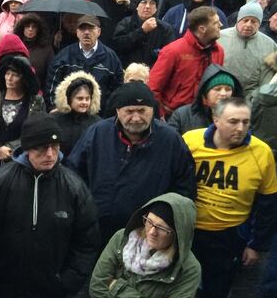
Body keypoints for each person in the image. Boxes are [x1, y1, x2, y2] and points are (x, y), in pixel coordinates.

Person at [0, 114, 100, 298]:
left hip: (53, 294)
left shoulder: (75, 188)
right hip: (4, 291)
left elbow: (87, 241)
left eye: (55, 147)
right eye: (42, 148)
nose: (50, 154)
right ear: (27, 148)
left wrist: (68, 281)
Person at [67, 82, 197, 242]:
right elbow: (73, 176)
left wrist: (162, 220)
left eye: (142, 111)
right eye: (129, 111)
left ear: (152, 111)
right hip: (95, 230)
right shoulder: (97, 133)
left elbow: (185, 187)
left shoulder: (170, 140)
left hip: (146, 234)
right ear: (117, 111)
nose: (136, 118)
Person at [182, 98, 277, 298]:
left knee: (216, 292)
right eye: (233, 121)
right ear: (216, 119)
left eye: (246, 122)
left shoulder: (261, 153)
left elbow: (268, 204)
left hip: (229, 234)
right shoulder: (190, 141)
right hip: (188, 230)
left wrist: (255, 245)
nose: (241, 128)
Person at [89, 194, 201, 298]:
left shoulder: (189, 269)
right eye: (149, 221)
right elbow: (96, 287)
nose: (152, 232)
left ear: (177, 234)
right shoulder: (122, 239)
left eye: (161, 228)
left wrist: (116, 288)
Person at [149, 6, 225, 117]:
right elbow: (153, 87)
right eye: (215, 23)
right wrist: (160, 115)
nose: (221, 25)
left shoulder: (218, 52)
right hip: (173, 116)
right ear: (202, 29)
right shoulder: (173, 51)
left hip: (205, 115)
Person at [0, 55, 46, 168]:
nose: (9, 78)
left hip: (21, 158)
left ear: (24, 78)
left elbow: (36, 129)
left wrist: (10, 149)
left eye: (15, 75)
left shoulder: (36, 100)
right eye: (7, 73)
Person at [45, 15, 123, 112]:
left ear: (99, 32)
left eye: (91, 29)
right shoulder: (63, 56)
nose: (86, 32)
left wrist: (107, 113)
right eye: (82, 29)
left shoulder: (111, 58)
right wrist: (54, 108)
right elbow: (52, 86)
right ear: (77, 32)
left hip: (100, 116)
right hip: (68, 116)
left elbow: (117, 89)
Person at [219, 1, 277, 98]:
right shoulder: (220, 38)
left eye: (254, 21)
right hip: (223, 94)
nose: (248, 25)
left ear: (259, 23)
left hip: (252, 100)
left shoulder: (270, 45)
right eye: (245, 20)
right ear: (238, 20)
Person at [111, 0, 175, 67]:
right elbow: (118, 46)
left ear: (156, 9)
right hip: (129, 71)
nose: (147, 6)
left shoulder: (165, 28)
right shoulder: (126, 23)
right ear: (137, 7)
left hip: (154, 72)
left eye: (152, 3)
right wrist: (142, 31)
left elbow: (169, 53)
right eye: (144, 2)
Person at [168, 66, 242, 135]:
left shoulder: (241, 115)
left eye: (228, 89)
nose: (223, 93)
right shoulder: (182, 115)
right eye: (217, 89)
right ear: (205, 93)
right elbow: (171, 142)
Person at [52, 71, 102, 157]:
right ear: (68, 98)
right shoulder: (54, 120)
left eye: (87, 98)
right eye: (80, 98)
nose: (84, 102)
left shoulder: (97, 124)